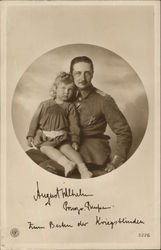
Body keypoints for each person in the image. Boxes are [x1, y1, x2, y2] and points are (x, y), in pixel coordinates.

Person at [30, 56, 132, 176]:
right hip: (62, 142)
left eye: (87, 73)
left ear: (93, 74)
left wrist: (116, 161)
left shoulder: (104, 100)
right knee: (30, 156)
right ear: (71, 74)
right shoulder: (66, 94)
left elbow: (124, 132)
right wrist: (39, 131)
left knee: (46, 168)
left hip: (90, 149)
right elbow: (49, 116)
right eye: (78, 73)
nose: (82, 78)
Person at [26, 72, 93, 179]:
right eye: (63, 88)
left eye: (70, 89)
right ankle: (67, 164)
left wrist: (75, 140)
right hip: (46, 139)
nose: (66, 92)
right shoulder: (44, 104)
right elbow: (35, 121)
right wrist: (30, 135)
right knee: (45, 148)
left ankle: (84, 170)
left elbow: (74, 125)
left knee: (68, 149)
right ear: (55, 88)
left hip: (63, 138)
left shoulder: (70, 106)